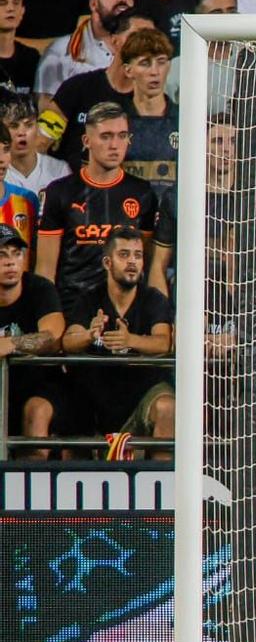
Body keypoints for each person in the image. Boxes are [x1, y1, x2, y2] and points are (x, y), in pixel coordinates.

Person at [58, 224, 174, 448]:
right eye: (124, 255)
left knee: (168, 408)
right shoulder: (89, 298)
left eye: (138, 255)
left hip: (145, 394)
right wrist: (89, 336)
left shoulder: (153, 299)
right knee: (70, 405)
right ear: (107, 263)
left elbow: (164, 342)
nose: (132, 261)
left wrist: (131, 340)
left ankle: (164, 481)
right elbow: (68, 340)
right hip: (97, 398)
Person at [37, 104, 161, 307]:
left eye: (122, 136)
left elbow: (145, 264)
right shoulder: (60, 192)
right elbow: (45, 270)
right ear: (87, 141)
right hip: (72, 310)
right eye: (106, 136)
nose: (115, 145)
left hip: (125, 312)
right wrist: (50, 316)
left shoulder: (142, 193)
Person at [0, 224, 66, 448]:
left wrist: (12, 343)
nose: (11, 262)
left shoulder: (40, 288)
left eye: (16, 254)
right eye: (2, 255)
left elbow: (54, 337)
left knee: (36, 411)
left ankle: (31, 480)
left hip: (39, 382)